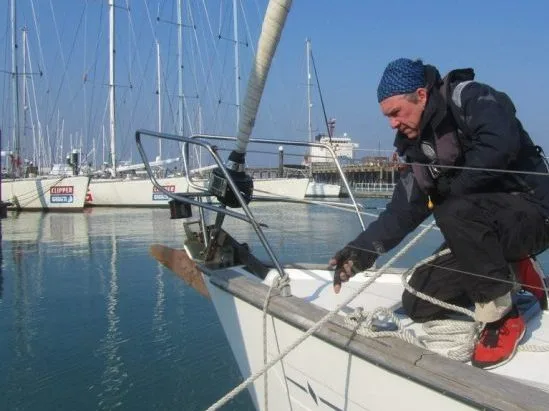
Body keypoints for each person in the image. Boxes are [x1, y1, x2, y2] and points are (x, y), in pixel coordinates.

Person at [329, 58, 549, 369]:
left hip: (534, 214)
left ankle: (502, 316)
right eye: (387, 117)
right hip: (481, 229)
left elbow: (500, 144)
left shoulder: (470, 98)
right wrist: (358, 253)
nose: (392, 123)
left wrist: (449, 187)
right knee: (418, 299)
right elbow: (401, 212)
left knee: (452, 207)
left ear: (421, 95)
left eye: (395, 113)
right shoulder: (417, 149)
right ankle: (517, 269)